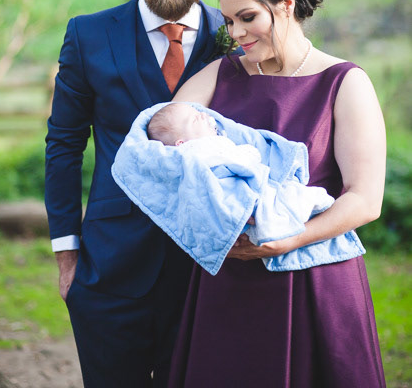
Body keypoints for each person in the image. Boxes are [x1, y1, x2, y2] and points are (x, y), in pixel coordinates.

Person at [161, 0, 391, 388]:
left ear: (286, 4)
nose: (235, 33)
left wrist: (290, 239)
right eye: (229, 21)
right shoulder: (220, 75)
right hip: (228, 281)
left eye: (247, 17)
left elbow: (365, 199)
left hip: (315, 282)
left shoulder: (344, 82)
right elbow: (165, 147)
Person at [44, 0, 224, 388]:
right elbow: (63, 146)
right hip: (109, 273)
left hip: (207, 278)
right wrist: (67, 257)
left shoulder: (235, 39)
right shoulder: (89, 34)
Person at [112, 101, 365, 275]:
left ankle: (294, 214)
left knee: (283, 201)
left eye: (199, 112)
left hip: (249, 194)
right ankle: (301, 211)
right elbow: (237, 162)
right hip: (243, 196)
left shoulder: (211, 142)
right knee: (285, 201)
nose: (203, 116)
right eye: (194, 119)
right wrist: (250, 157)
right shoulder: (195, 152)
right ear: (180, 143)